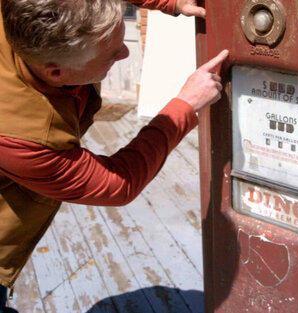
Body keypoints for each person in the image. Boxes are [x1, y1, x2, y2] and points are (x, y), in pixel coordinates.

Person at [0, 0, 228, 312]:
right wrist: (184, 106)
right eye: (111, 53)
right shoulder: (26, 139)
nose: (125, 53)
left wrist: (169, 3)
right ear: (56, 72)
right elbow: (117, 184)